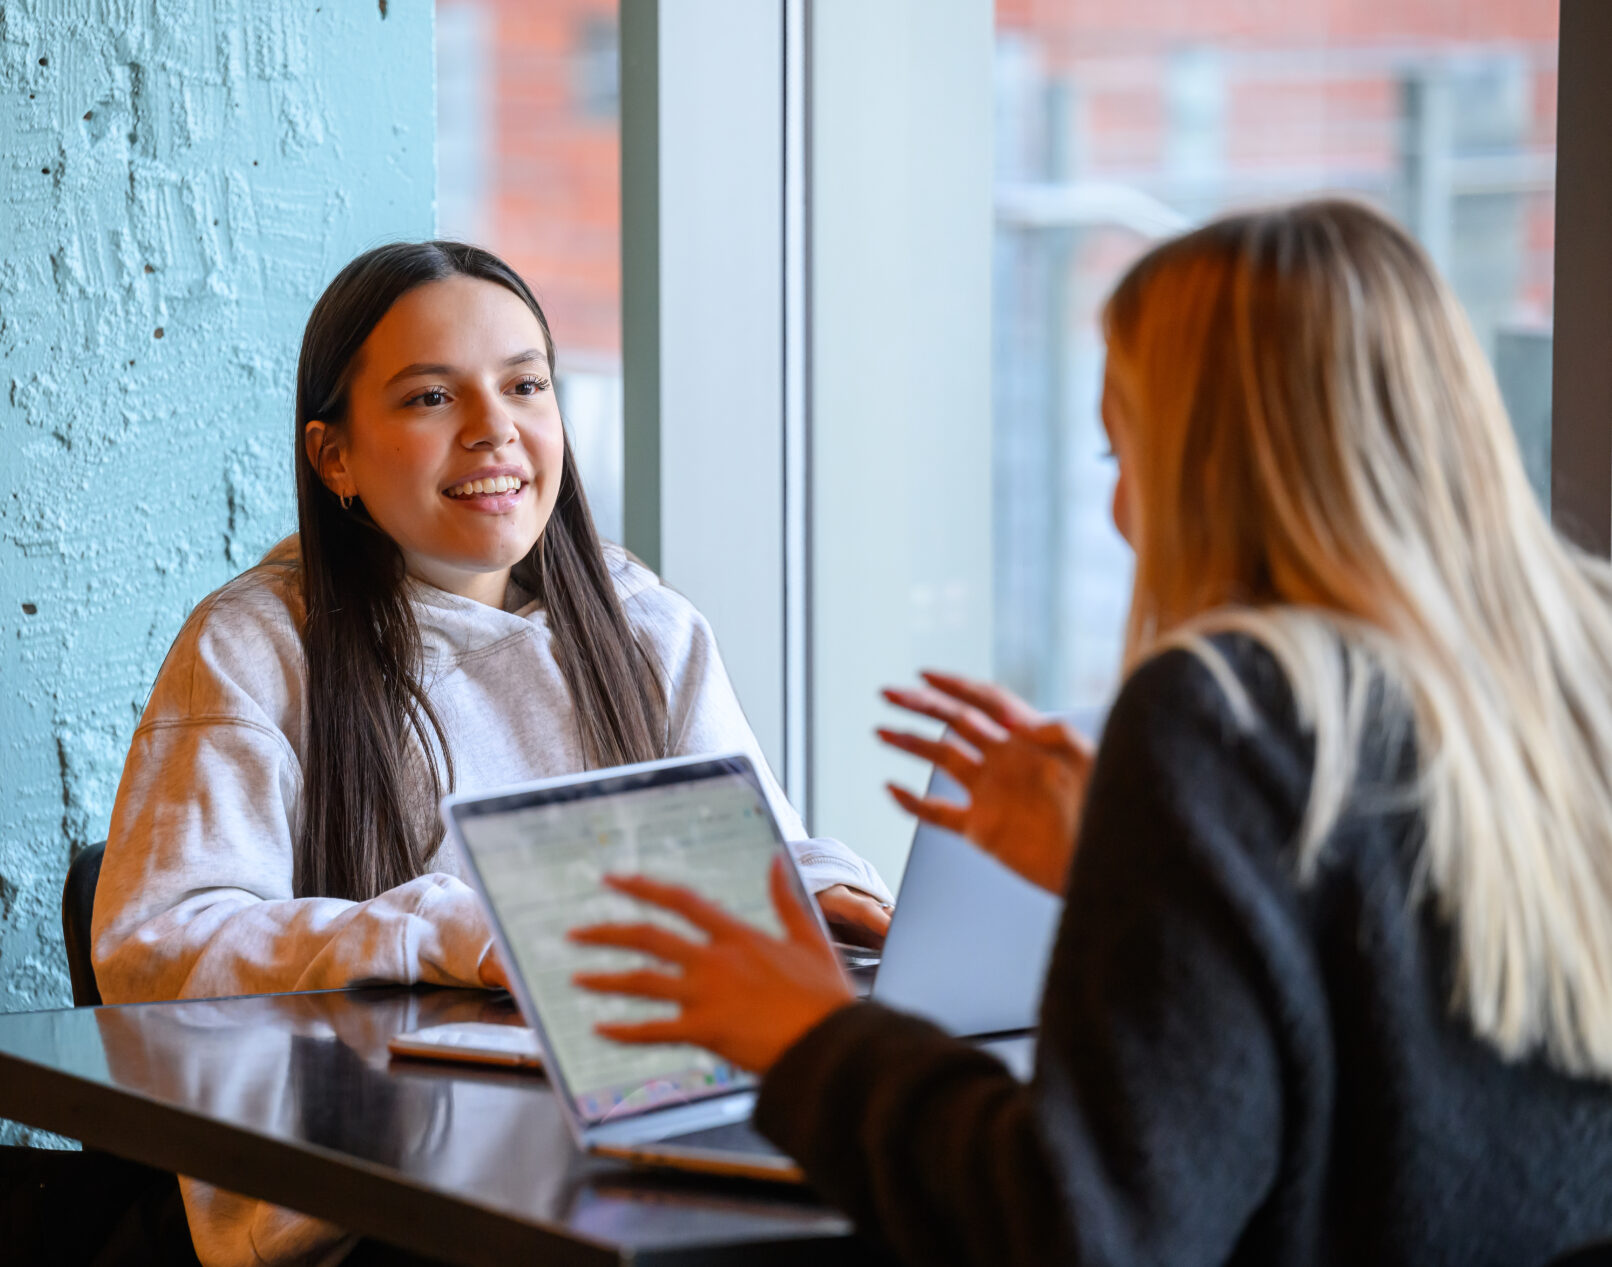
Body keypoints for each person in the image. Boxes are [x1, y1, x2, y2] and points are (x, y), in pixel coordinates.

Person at [572, 200, 1612, 1266]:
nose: (1120, 515)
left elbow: (1079, 1226)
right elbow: (1412, 1053)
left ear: (1210, 463)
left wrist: (807, 1039)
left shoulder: (1226, 710)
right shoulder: (1579, 667)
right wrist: (1147, 876)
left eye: (1124, 455)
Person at [91, 240, 893, 1266]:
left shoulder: (642, 622)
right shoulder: (257, 645)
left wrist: (814, 889)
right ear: (332, 455)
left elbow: (753, 845)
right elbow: (157, 947)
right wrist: (453, 926)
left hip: (637, 1141)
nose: (493, 430)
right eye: (431, 398)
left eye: (525, 384)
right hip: (379, 1203)